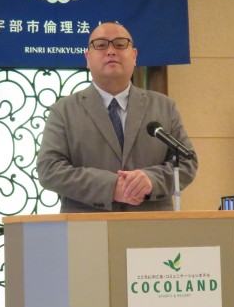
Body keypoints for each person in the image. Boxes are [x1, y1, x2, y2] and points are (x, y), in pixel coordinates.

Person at [36, 21, 198, 212]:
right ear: (87, 58)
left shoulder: (164, 106)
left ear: (134, 56)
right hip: (86, 225)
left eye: (120, 44)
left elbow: (187, 161)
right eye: (101, 45)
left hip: (152, 223)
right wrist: (111, 187)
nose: (111, 51)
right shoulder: (63, 110)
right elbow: (49, 169)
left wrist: (151, 180)